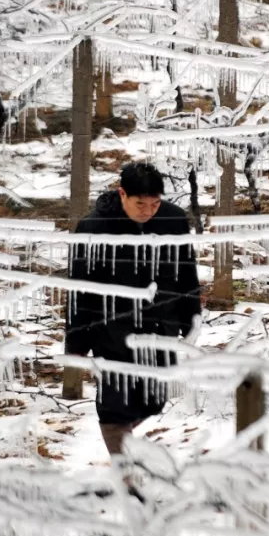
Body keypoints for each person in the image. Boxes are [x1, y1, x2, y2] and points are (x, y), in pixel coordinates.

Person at [66, 162, 202, 457]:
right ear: (122, 194)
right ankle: (125, 471)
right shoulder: (94, 228)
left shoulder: (174, 220)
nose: (148, 211)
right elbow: (79, 288)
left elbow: (187, 273)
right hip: (112, 330)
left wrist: (191, 316)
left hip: (158, 326)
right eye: (140, 204)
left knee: (155, 400)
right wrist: (76, 341)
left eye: (155, 204)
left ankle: (128, 452)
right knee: (115, 405)